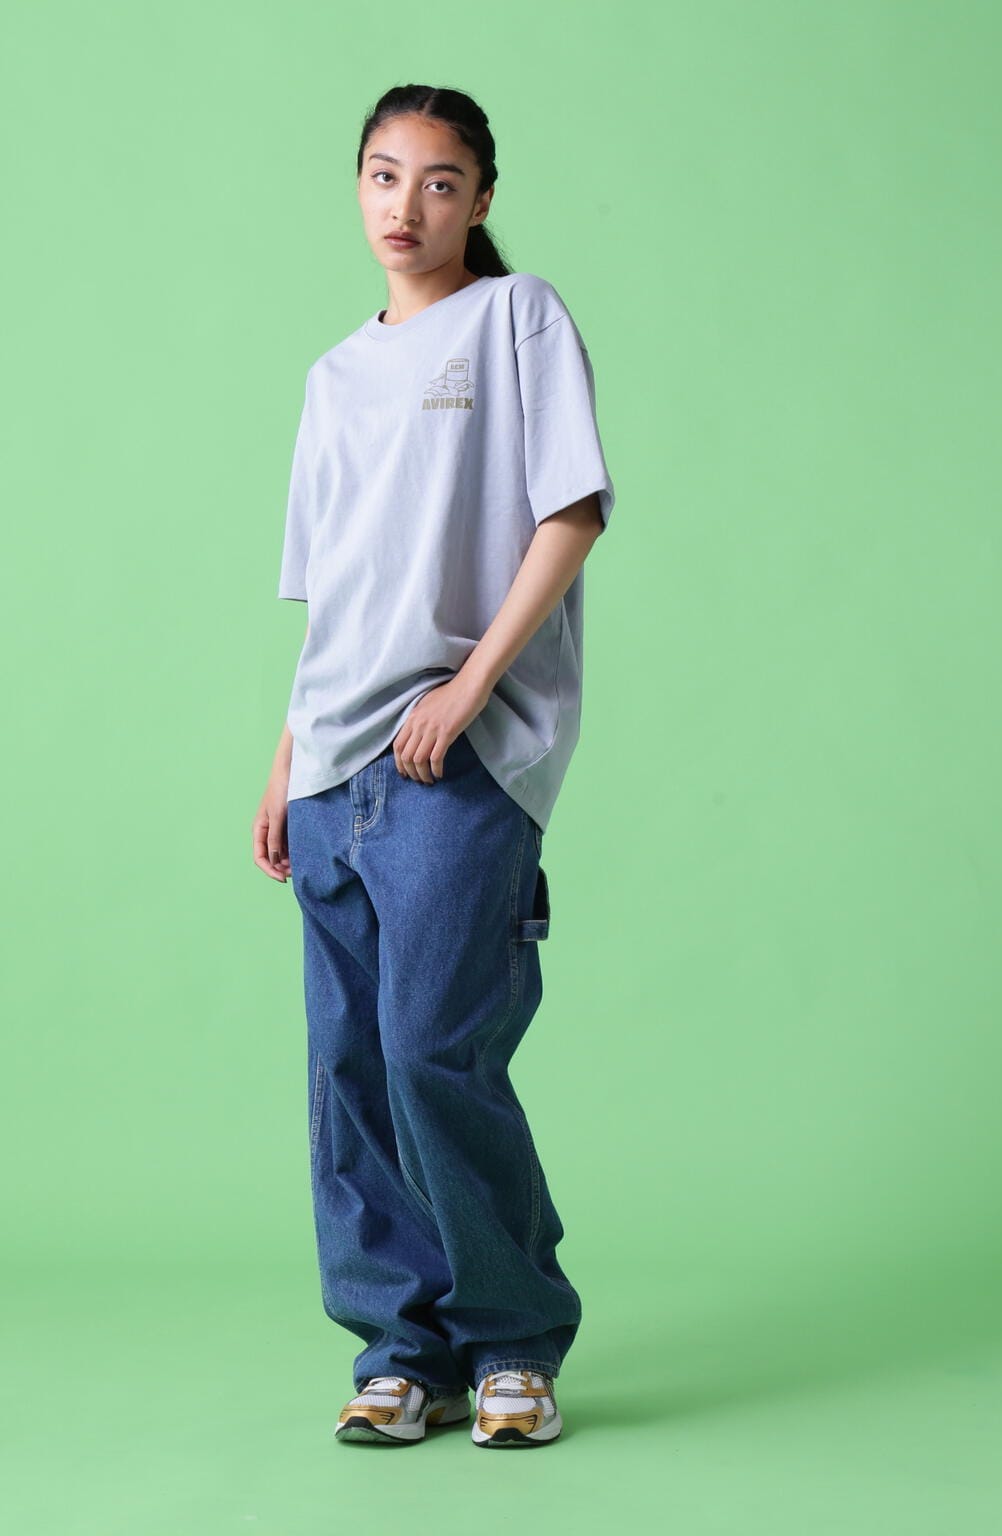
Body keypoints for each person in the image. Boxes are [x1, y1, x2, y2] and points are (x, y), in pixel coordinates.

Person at [250, 84, 615, 1450]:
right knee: (348, 1069)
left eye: (441, 180)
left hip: (459, 755)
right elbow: (335, 594)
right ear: (358, 187)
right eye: (384, 175)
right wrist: (286, 758)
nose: (407, 205)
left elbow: (570, 513)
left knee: (431, 1052)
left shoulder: (518, 320)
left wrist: (469, 689)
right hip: (334, 765)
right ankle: (402, 1350)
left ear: (481, 198)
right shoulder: (332, 377)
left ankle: (513, 1338)